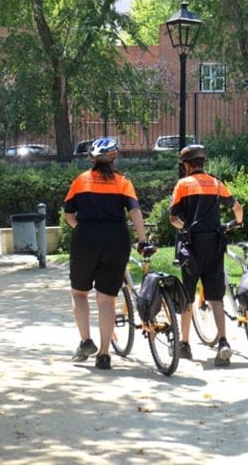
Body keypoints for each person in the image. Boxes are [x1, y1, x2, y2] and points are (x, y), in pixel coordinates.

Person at [63, 137, 150, 370]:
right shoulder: (123, 182)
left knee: (79, 293)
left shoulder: (80, 181)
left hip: (86, 239)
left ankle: (85, 341)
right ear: (114, 157)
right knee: (106, 299)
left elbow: (69, 215)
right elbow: (135, 211)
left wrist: (84, 230)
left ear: (91, 159)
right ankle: (104, 354)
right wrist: (142, 240)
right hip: (116, 240)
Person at [169, 144, 243, 366]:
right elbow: (237, 208)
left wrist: (185, 228)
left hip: (192, 247)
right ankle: (223, 342)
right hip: (215, 244)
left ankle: (184, 344)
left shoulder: (183, 185)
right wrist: (236, 223)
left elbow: (173, 218)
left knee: (187, 295)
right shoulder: (216, 183)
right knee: (216, 296)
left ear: (186, 165)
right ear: (203, 163)